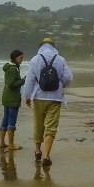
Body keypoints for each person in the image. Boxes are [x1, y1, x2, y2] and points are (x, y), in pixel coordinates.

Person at [22, 37, 73, 168]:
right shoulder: (60, 59)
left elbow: (30, 80)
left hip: (38, 96)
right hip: (55, 98)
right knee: (51, 127)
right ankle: (46, 156)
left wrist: (27, 97)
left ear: (41, 46)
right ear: (53, 46)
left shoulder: (35, 59)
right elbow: (68, 77)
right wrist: (60, 84)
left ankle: (38, 150)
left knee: (38, 123)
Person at [0, 49, 25, 151]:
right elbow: (11, 84)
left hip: (6, 96)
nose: (22, 60)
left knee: (5, 119)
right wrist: (23, 81)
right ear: (16, 58)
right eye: (21, 57)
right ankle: (11, 144)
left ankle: (2, 143)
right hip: (12, 97)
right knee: (11, 122)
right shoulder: (13, 69)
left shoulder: (9, 67)